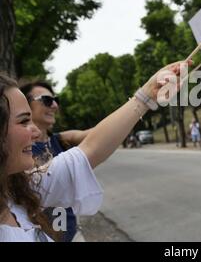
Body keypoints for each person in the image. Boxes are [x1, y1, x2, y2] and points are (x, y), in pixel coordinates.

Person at [0, 60, 189, 241]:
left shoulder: (19, 187)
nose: (34, 131)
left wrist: (146, 96)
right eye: (24, 120)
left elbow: (91, 145)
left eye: (55, 100)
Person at [19, 80, 91, 242]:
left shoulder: (61, 140)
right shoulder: (17, 152)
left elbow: (98, 136)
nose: (55, 106)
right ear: (25, 105)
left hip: (73, 236)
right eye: (47, 100)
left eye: (56, 100)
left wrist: (140, 106)